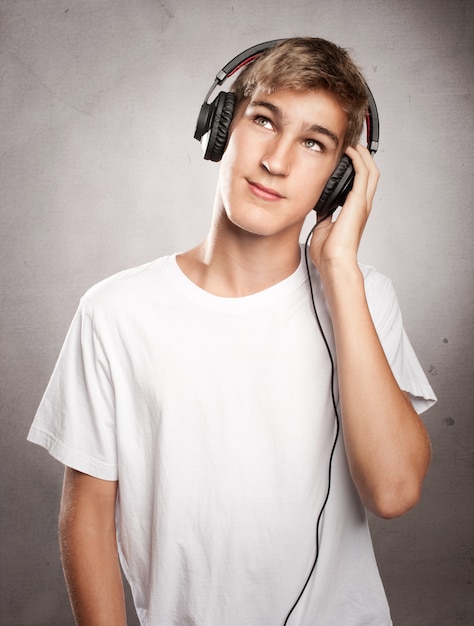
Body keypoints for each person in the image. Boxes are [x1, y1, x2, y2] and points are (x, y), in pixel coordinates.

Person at [28, 37, 436, 625]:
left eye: (314, 144)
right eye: (263, 121)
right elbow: (87, 516)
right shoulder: (115, 311)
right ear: (220, 128)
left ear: (341, 179)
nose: (277, 161)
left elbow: (394, 492)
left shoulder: (363, 297)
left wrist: (339, 270)